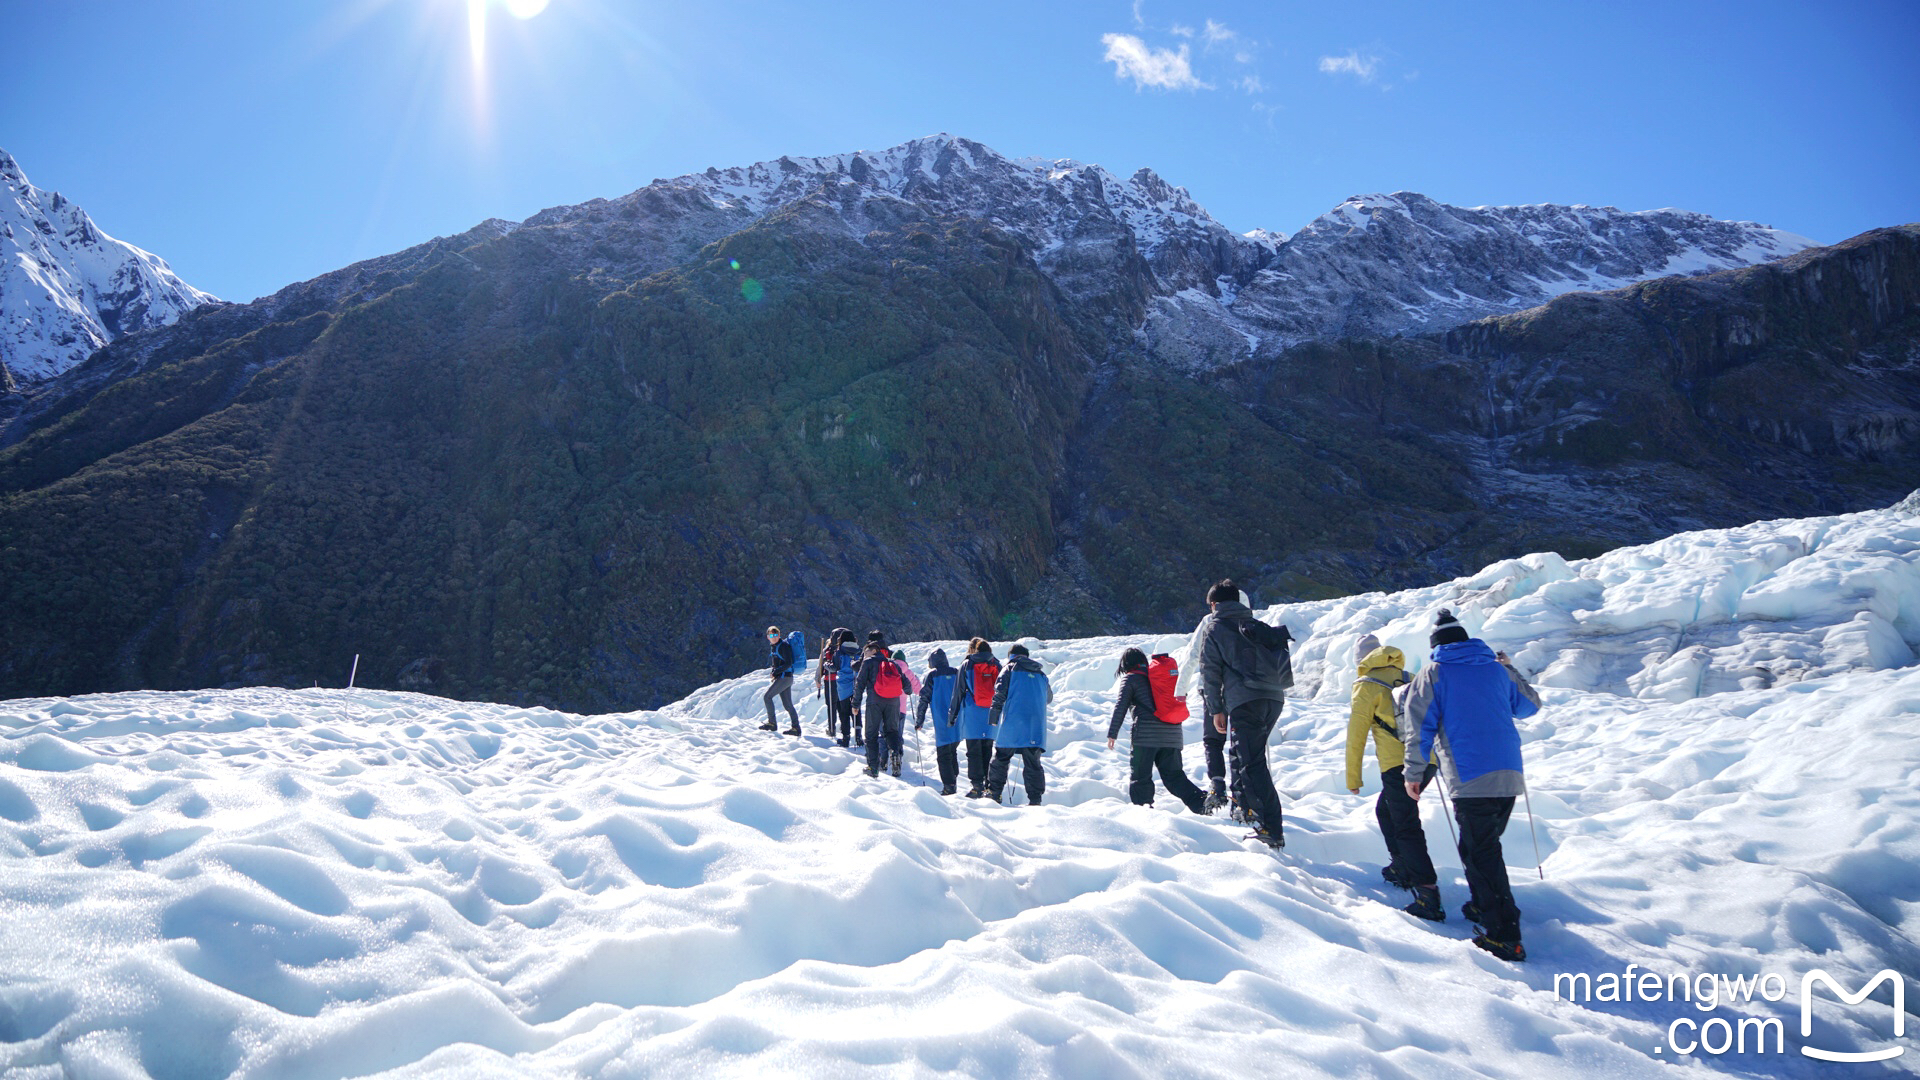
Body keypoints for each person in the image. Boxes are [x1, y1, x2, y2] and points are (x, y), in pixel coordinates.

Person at [1401, 609, 1543, 962]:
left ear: (1436, 647)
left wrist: (1413, 773)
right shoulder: (1495, 669)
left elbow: (1419, 727)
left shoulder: (1434, 673)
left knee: (1481, 854)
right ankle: (1484, 906)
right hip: (1509, 771)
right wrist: (1508, 668)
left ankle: (1504, 935)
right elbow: (1528, 707)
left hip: (1471, 774)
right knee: (1482, 847)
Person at [1195, 579, 1290, 848]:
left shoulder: (1215, 626)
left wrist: (1216, 710)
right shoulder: (1254, 625)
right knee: (1249, 758)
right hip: (1273, 698)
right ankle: (1258, 816)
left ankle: (1272, 827)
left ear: (1214, 604)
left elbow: (1210, 672)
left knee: (1252, 763)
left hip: (1245, 702)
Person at [1345, 633, 1437, 906]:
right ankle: (1402, 865)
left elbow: (1356, 736)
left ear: (1360, 660)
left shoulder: (1366, 686)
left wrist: (1353, 778)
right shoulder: (1411, 677)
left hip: (1397, 764)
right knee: (1387, 811)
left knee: (1405, 823)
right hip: (1427, 760)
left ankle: (1426, 890)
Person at [1106, 647, 1207, 813]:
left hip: (1146, 737)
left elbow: (1121, 706)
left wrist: (1112, 734)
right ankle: (1202, 804)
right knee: (1174, 776)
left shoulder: (1131, 679)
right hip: (1172, 736)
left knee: (1141, 777)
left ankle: (1144, 814)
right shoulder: (1160, 678)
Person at [986, 643, 1052, 805]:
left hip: (1013, 722)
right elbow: (1048, 698)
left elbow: (999, 693)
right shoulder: (1041, 674)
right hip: (1035, 725)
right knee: (1033, 763)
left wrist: (993, 717)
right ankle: (1035, 800)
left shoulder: (1009, 669)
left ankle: (994, 794)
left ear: (1011, 656)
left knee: (1001, 757)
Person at [852, 630, 909, 778]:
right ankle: (895, 755)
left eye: (866, 651)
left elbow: (860, 684)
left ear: (872, 650)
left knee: (871, 734)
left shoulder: (868, 662)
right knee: (891, 731)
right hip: (893, 702)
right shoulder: (892, 663)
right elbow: (907, 686)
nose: (865, 654)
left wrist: (855, 704)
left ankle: (873, 768)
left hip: (875, 701)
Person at [949, 638, 1001, 798]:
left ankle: (977, 786)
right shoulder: (997, 664)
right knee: (987, 749)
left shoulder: (967, 664)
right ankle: (987, 785)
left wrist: (952, 715)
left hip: (972, 712)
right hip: (991, 713)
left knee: (973, 751)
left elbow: (958, 691)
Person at [915, 648, 962, 794]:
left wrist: (919, 720)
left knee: (943, 755)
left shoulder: (932, 676)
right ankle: (954, 779)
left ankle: (949, 786)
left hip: (942, 720)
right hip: (958, 719)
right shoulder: (956, 672)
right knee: (952, 750)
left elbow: (924, 698)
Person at [759, 625, 801, 735]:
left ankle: (772, 723)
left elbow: (788, 663)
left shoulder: (783, 646)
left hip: (785, 677)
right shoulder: (775, 646)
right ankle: (796, 728)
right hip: (785, 678)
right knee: (788, 705)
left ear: (779, 635)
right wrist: (775, 671)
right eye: (771, 635)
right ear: (768, 637)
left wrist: (775, 672)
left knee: (767, 697)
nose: (774, 637)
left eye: (776, 634)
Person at [815, 628, 854, 743]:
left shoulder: (827, 649)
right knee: (841, 706)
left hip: (829, 680)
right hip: (843, 681)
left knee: (831, 704)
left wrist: (818, 679)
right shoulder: (845, 649)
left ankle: (832, 728)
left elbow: (821, 665)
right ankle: (845, 728)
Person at [826, 629, 862, 748]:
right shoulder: (859, 650)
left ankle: (846, 738)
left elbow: (835, 668)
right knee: (856, 710)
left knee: (844, 712)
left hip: (843, 686)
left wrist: (826, 665)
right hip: (857, 684)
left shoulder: (839, 652)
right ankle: (858, 737)